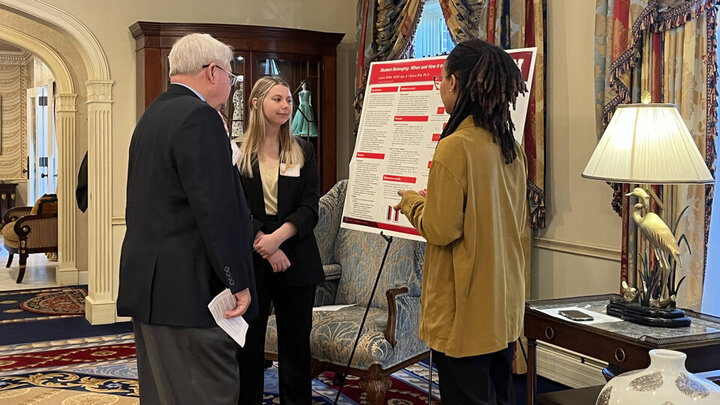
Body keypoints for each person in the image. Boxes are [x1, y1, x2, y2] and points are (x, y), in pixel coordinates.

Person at [117, 33, 257, 404]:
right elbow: (217, 211)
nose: (232, 83)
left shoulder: (152, 115)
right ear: (213, 72)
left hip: (153, 290)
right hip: (191, 295)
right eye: (232, 75)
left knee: (164, 394)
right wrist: (238, 280)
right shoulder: (201, 118)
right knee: (206, 392)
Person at [394, 39, 531, 404]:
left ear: (454, 82)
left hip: (464, 307)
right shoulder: (510, 147)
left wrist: (411, 202)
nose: (440, 87)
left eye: (441, 79)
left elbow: (440, 228)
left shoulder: (455, 146)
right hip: (502, 302)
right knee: (500, 394)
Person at [235, 76, 323, 405]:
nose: (286, 106)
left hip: (296, 256)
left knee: (296, 345)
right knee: (249, 345)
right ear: (257, 103)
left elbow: (311, 207)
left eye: (289, 100)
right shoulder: (238, 152)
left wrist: (278, 240)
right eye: (278, 99)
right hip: (252, 258)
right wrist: (263, 241)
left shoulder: (303, 149)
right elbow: (235, 207)